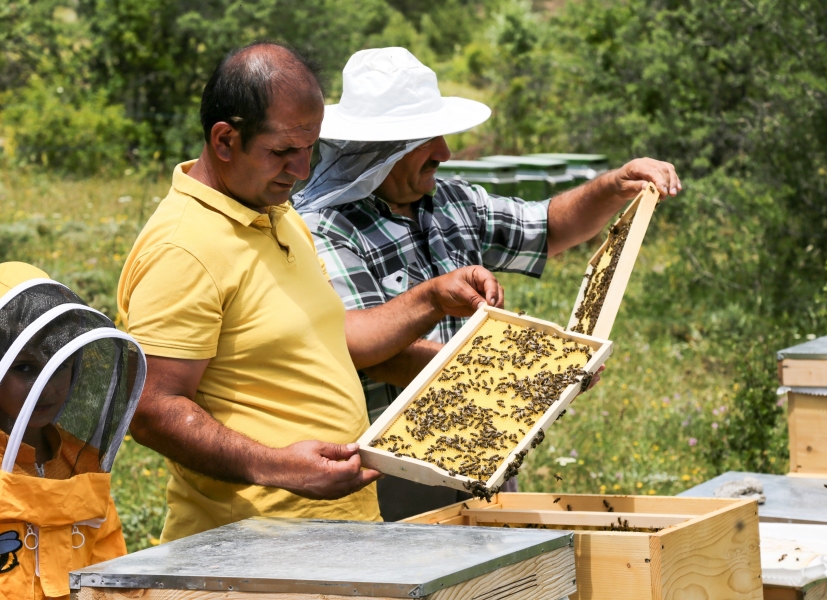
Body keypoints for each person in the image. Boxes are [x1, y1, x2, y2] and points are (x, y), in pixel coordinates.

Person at [117, 41, 503, 543]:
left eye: (310, 149)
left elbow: (326, 334)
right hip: (252, 548)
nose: (301, 170)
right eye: (282, 152)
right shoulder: (183, 248)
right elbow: (150, 408)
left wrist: (429, 298)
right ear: (225, 140)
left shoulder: (275, 212)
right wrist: (276, 467)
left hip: (334, 532)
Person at [296, 47, 682, 521]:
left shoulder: (453, 201)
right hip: (396, 472)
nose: (445, 151)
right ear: (379, 153)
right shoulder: (323, 229)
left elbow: (548, 226)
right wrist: (531, 376)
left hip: (485, 452)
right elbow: (369, 351)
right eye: (424, 140)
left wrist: (613, 183)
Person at [0, 261, 146, 599]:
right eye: (24, 367)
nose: (47, 386)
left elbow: (112, 575)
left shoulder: (81, 463)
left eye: (59, 364)